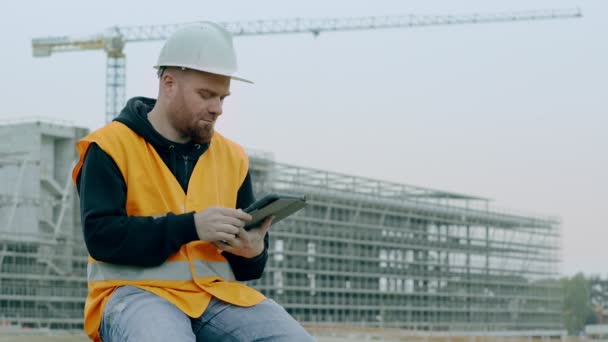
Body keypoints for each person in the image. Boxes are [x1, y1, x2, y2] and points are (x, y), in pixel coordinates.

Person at [73, 22, 314, 342]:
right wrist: (193, 226)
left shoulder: (233, 157)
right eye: (206, 95)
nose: (217, 108)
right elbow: (102, 237)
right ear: (169, 83)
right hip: (135, 295)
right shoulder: (109, 147)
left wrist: (252, 252)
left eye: (222, 97)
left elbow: (248, 271)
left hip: (218, 297)